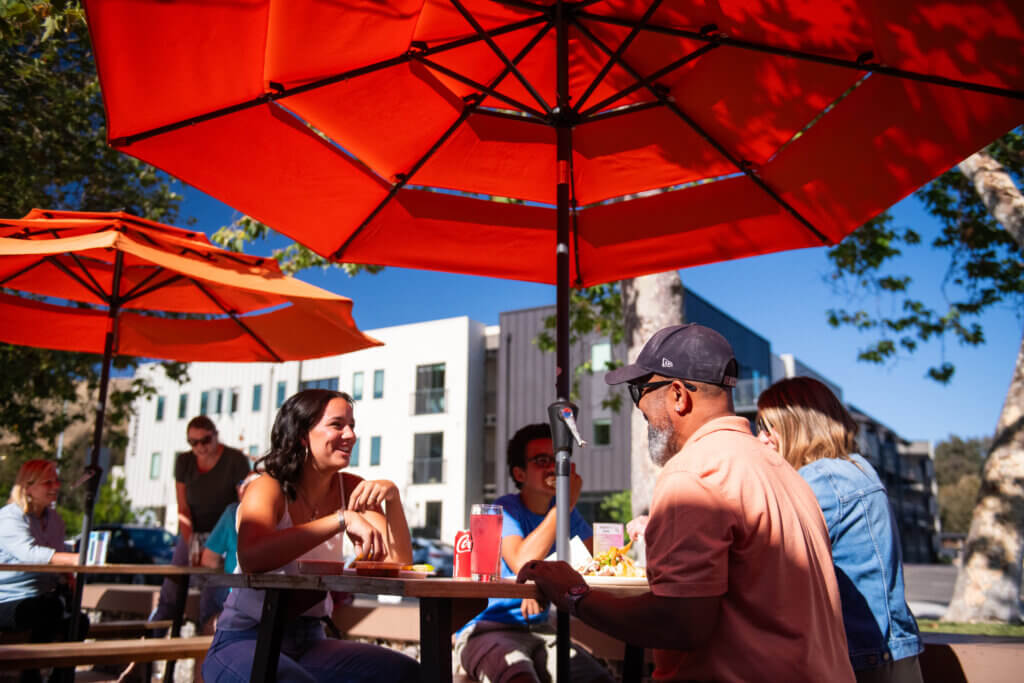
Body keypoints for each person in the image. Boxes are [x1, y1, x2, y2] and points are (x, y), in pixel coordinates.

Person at [518, 323, 855, 682]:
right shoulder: (781, 468)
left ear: (678, 394)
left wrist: (574, 595)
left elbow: (679, 623)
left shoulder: (693, 473)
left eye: (639, 391)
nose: (640, 410)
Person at [202, 389, 419, 683]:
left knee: (409, 674)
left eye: (352, 425)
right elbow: (253, 556)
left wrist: (392, 499)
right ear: (303, 435)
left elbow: (399, 562)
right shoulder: (268, 487)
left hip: (310, 640)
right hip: (246, 637)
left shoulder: (352, 488)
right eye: (338, 424)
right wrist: (341, 520)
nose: (351, 435)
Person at [757, 377, 924, 683]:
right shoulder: (853, 468)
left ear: (799, 427)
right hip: (885, 651)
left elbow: (765, 550)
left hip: (865, 659)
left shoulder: (823, 478)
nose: (762, 439)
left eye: (769, 428)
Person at [455, 424, 612, 683]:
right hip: (487, 628)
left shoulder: (565, 514)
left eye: (558, 460)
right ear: (520, 473)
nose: (553, 468)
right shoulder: (504, 509)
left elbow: (598, 557)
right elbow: (521, 564)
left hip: (541, 630)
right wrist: (564, 504)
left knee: (597, 679)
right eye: (541, 460)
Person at [151, 416, 250, 632]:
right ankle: (150, 644)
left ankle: (204, 649)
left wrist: (217, 544)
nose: (200, 447)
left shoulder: (235, 460)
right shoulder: (184, 462)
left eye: (205, 440)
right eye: (193, 442)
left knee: (213, 596)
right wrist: (191, 542)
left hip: (222, 535)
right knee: (171, 591)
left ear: (215, 435)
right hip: (192, 532)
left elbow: (243, 500)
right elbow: (183, 508)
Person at [0, 460, 82, 683]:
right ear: (28, 487)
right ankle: (31, 677)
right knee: (46, 609)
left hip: (40, 597)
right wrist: (77, 559)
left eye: (57, 480)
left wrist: (69, 576)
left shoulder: (55, 520)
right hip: (7, 599)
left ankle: (60, 678)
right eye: (48, 482)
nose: (55, 486)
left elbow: (58, 557)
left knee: (78, 621)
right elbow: (29, 554)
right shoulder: (9, 517)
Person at [199, 471, 262, 634]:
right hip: (267, 602)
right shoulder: (284, 513)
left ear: (242, 491)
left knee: (212, 596)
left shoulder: (233, 512)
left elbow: (208, 560)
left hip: (235, 598)